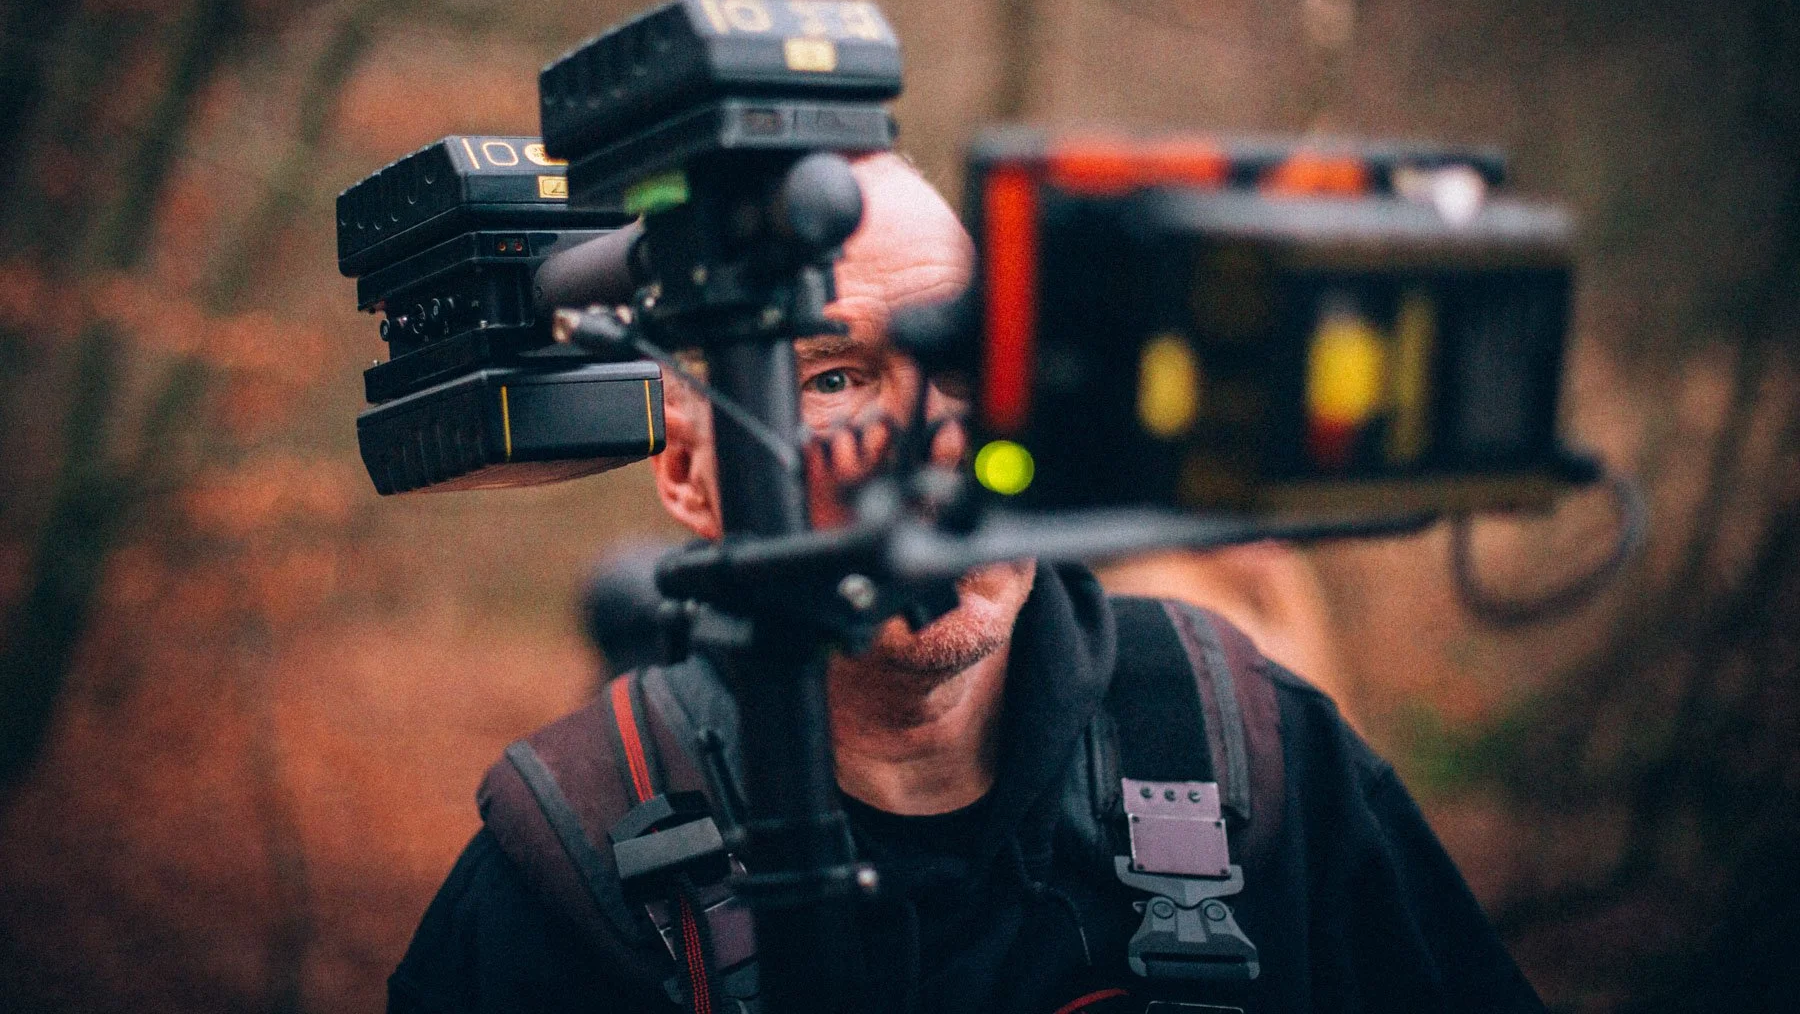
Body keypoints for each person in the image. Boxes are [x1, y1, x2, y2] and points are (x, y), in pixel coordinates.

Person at [388, 152, 1546, 1014]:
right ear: (689, 474)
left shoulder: (1253, 749)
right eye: (835, 377)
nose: (932, 437)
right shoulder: (572, 870)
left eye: (963, 360)